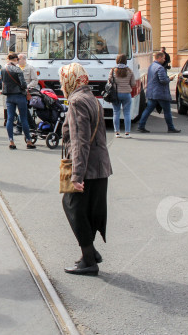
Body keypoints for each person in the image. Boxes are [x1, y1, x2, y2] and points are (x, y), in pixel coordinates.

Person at [59, 62, 112, 276]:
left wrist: (77, 175)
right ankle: (90, 253)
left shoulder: (76, 101)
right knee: (88, 210)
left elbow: (80, 141)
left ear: (69, 80)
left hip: (85, 167)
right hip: (100, 166)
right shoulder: (92, 98)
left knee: (73, 206)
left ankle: (89, 260)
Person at [137, 51, 181, 134]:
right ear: (159, 58)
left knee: (147, 110)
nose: (164, 60)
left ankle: (141, 126)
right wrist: (169, 79)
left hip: (152, 93)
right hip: (161, 93)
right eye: (163, 58)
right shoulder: (160, 68)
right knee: (167, 111)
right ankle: (171, 128)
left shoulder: (151, 66)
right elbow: (163, 80)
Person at [2, 53, 35, 150]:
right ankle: (29, 141)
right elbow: (24, 85)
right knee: (24, 118)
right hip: (20, 96)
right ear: (16, 59)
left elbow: (3, 82)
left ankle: (11, 141)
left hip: (9, 96)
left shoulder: (4, 69)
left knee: (10, 119)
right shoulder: (18, 69)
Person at [109, 54, 136, 138]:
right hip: (127, 94)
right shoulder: (130, 71)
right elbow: (133, 84)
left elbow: (109, 82)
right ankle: (127, 133)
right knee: (127, 113)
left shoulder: (113, 70)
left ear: (117, 60)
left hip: (116, 95)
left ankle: (117, 132)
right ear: (125, 61)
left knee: (116, 113)